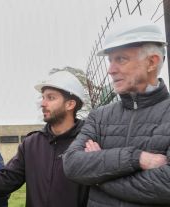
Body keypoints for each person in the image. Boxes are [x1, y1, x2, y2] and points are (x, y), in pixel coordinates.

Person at [62, 16, 170, 206]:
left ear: (152, 62)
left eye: (121, 59)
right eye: (110, 60)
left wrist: (97, 175)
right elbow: (71, 164)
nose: (110, 70)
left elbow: (166, 186)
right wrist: (137, 158)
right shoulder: (99, 116)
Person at [0, 71, 89, 207]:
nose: (43, 103)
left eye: (51, 98)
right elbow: (5, 180)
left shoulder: (88, 142)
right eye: (43, 97)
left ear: (70, 104)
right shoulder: (32, 144)